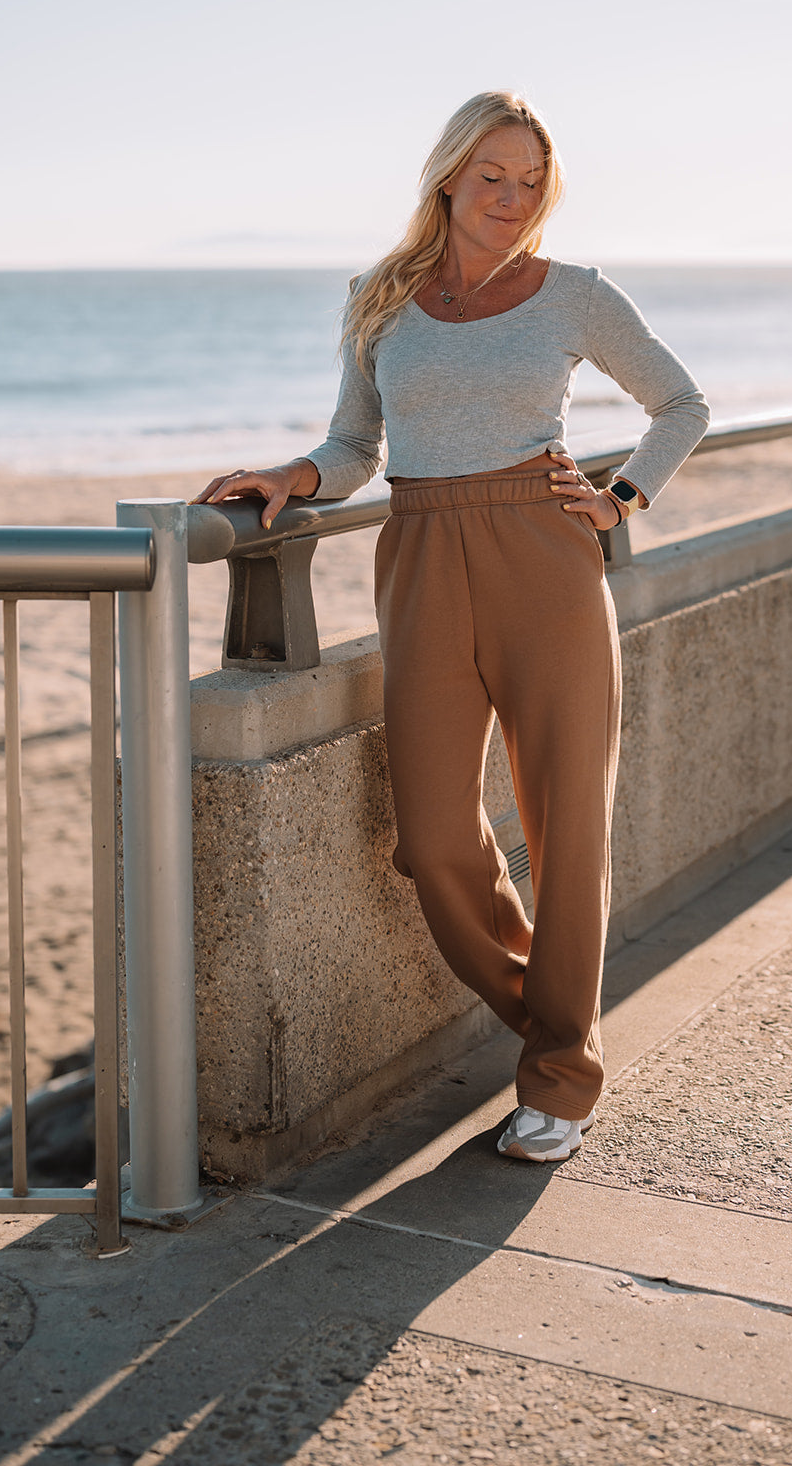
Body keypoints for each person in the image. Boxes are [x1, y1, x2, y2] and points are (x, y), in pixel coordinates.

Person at [195, 91, 709, 1163]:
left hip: (543, 552)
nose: (511, 199)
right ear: (446, 177)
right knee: (431, 841)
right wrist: (292, 475)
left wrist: (620, 500)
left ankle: (560, 1078)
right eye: (492, 177)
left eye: (530, 182)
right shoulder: (377, 298)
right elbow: (355, 445)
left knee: (565, 823)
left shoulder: (574, 295)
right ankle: (556, 1021)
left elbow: (681, 404)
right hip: (422, 551)